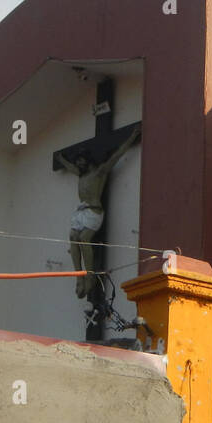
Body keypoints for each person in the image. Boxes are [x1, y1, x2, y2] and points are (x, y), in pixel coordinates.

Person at [53, 127, 140, 299]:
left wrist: (132, 137)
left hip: (94, 211)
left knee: (84, 238)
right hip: (81, 212)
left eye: (81, 161)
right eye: (77, 161)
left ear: (88, 160)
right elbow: (69, 167)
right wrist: (61, 159)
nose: (78, 164)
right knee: (73, 237)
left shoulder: (100, 172)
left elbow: (116, 156)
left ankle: (90, 275)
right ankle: (78, 276)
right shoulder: (80, 174)